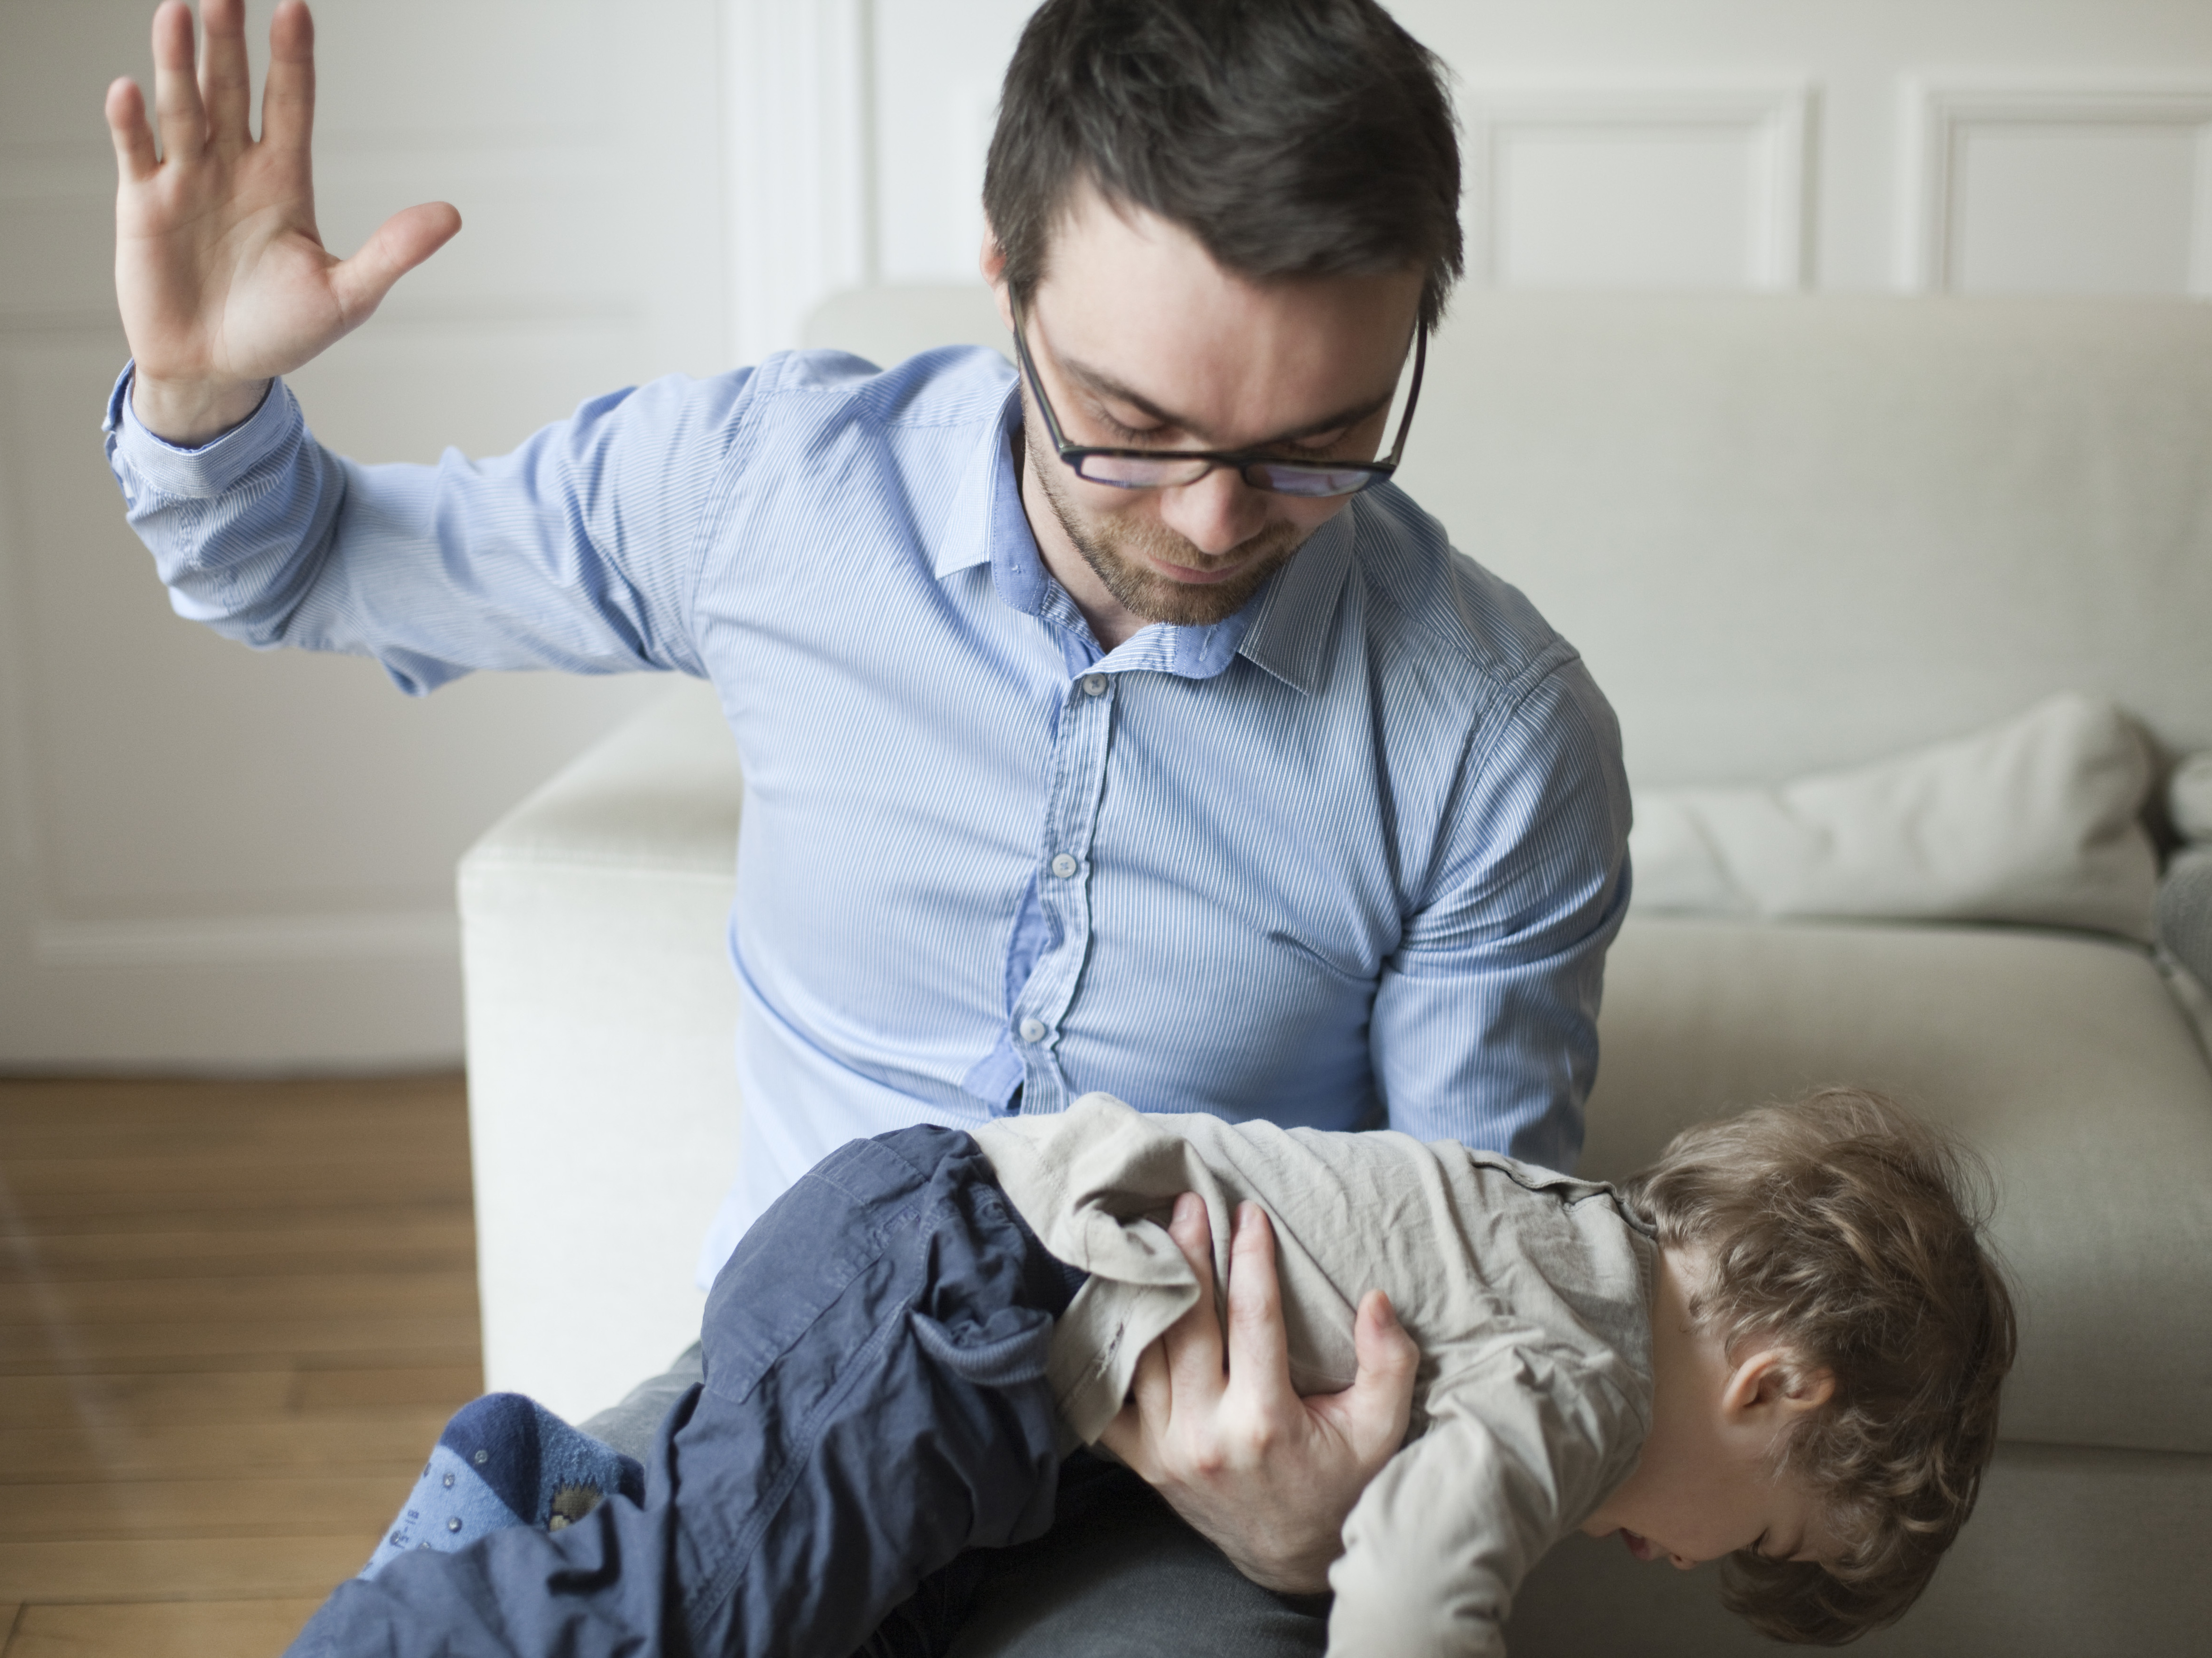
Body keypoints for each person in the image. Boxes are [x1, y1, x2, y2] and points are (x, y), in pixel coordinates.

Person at [100, 0, 1631, 1648]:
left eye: (1314, 447)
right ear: (1004, 270)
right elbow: (303, 563)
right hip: (786, 1401)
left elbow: (1487, 1276)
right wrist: (202, 396)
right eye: (1131, 426)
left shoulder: (1501, 736)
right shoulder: (768, 490)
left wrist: (1319, 1521)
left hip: (1183, 1507)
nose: (1209, 518)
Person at [284, 1088, 2016, 1658]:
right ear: (1777, 1385)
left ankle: (538, 1496)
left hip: (961, 1337)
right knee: (696, 1616)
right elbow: (1417, 1586)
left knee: (831, 1627)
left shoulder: (1569, 1238)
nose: (1678, 1558)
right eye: (1759, 1538)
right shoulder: (1589, 1368)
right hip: (953, 1294)